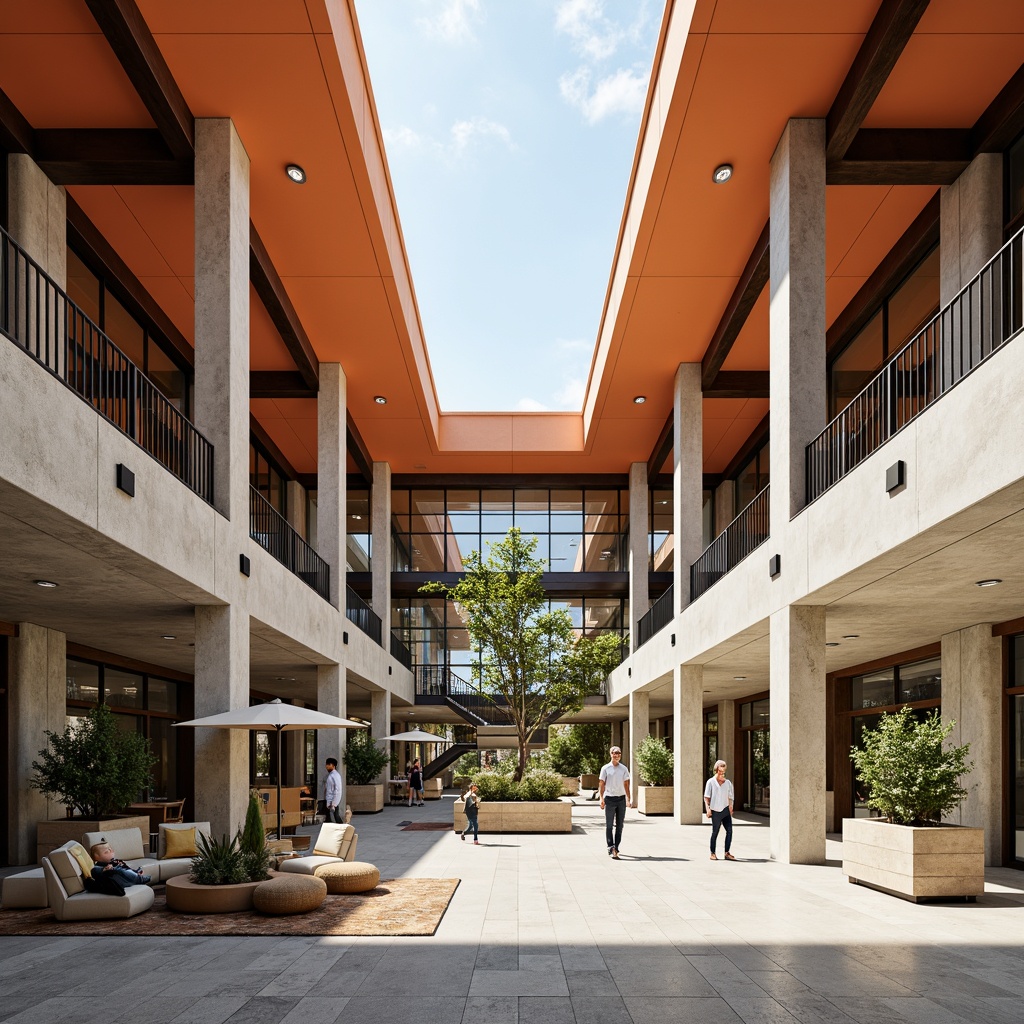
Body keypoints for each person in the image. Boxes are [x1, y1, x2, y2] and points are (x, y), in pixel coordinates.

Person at [598, 745, 631, 859]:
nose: (617, 755)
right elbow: (601, 784)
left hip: (621, 799)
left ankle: (616, 847)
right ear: (611, 754)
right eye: (614, 753)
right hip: (610, 799)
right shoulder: (605, 768)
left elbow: (626, 784)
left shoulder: (624, 769)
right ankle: (610, 846)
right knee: (609, 825)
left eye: (619, 753)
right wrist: (601, 799)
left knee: (620, 825)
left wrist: (628, 798)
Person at [704, 759, 736, 861]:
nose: (721, 773)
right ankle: (712, 853)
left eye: (723, 771)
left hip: (725, 810)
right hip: (715, 811)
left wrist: (731, 806)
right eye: (720, 771)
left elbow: (730, 796)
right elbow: (706, 797)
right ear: (716, 770)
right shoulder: (711, 782)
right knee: (715, 832)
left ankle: (727, 853)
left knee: (730, 831)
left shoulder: (727, 783)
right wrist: (708, 809)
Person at [323, 757, 343, 824]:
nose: (326, 766)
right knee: (330, 817)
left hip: (332, 800)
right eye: (326, 764)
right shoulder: (331, 775)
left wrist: (334, 803)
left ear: (333, 765)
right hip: (329, 800)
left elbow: (338, 789)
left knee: (336, 816)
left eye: (328, 764)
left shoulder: (335, 775)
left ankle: (342, 828)